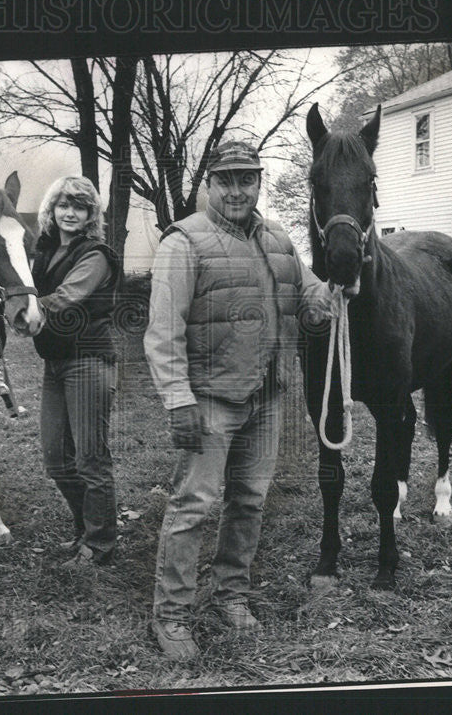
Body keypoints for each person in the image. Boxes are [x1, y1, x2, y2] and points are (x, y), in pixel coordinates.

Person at [144, 141, 332, 659]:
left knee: (248, 502)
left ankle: (232, 596)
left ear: (258, 183)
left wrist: (328, 295)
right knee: (193, 506)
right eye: (226, 180)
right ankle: (173, 615)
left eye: (246, 179)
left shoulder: (278, 239)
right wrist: (177, 398)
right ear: (210, 184)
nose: (236, 190)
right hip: (209, 398)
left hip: (267, 394)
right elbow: (163, 331)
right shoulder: (184, 241)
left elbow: (309, 297)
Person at [32, 176, 121, 567]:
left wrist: (13, 308)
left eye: (80, 207)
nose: (70, 213)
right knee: (56, 459)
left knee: (90, 459)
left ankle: (100, 543)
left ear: (90, 215)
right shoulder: (46, 250)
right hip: (55, 363)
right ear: (51, 210)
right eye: (63, 205)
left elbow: (67, 299)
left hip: (88, 361)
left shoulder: (96, 254)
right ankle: (87, 527)